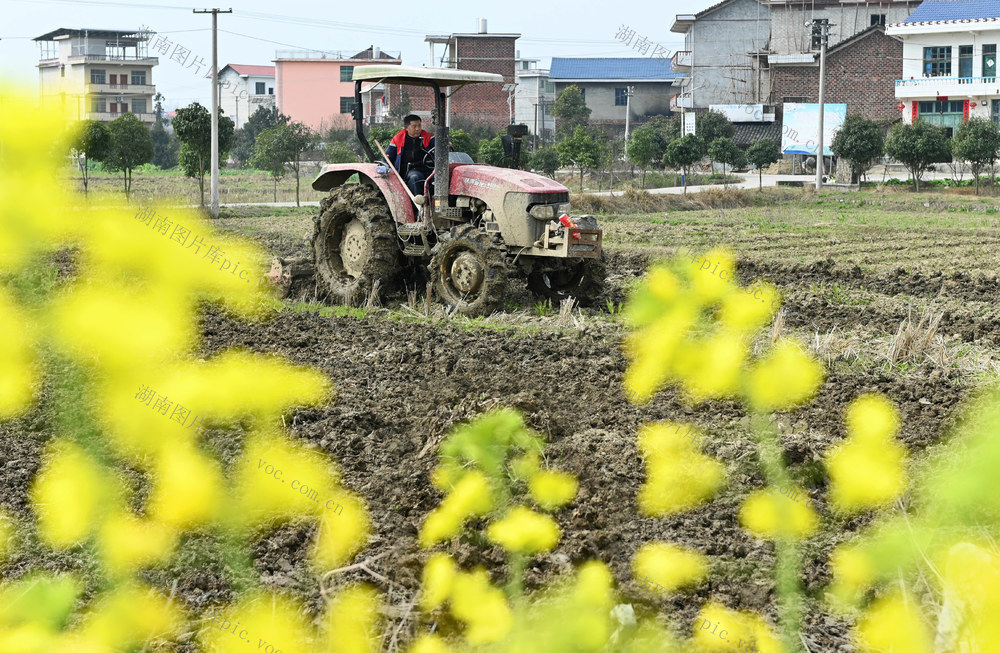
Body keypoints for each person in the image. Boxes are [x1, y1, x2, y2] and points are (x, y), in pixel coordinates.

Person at [385, 114, 435, 197]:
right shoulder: (398, 139)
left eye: (419, 125)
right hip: (411, 170)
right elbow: (388, 156)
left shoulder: (428, 137)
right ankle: (419, 205)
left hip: (429, 169)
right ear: (406, 128)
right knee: (415, 177)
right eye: (414, 126)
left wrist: (444, 143)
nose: (418, 128)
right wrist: (385, 166)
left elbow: (438, 144)